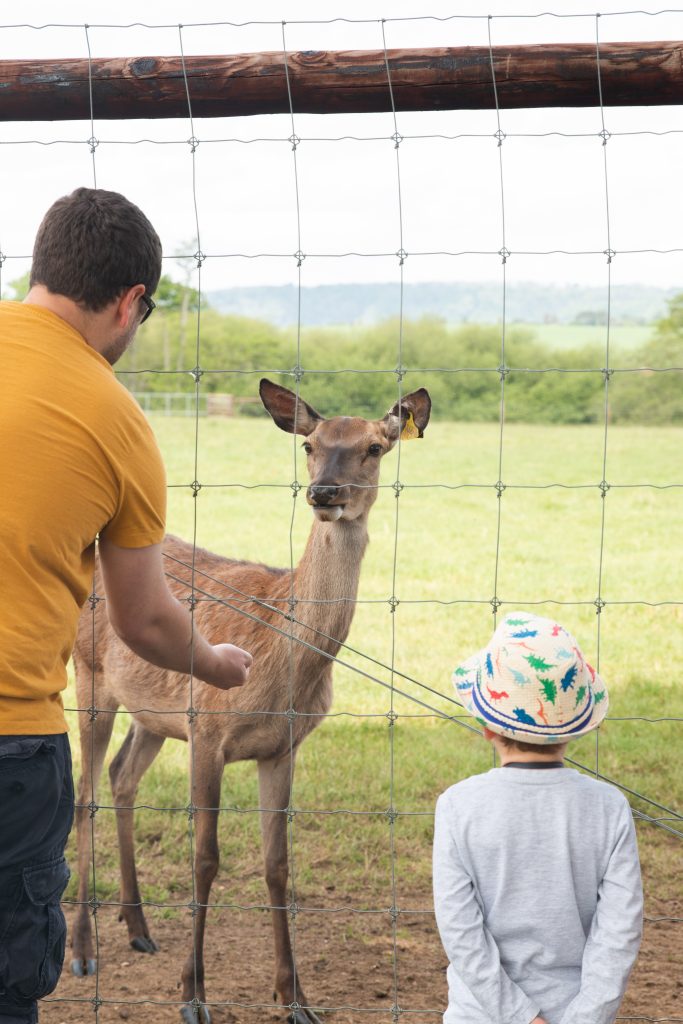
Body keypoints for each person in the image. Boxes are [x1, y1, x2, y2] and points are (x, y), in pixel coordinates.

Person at [0, 187, 252, 1024]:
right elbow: (142, 618)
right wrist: (214, 663)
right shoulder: (117, 418)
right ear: (130, 300)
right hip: (13, 745)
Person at [433, 611, 643, 1024]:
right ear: (575, 727)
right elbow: (620, 931)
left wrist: (520, 1017)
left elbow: (461, 933)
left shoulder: (457, 806)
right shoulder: (608, 807)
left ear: (487, 726)